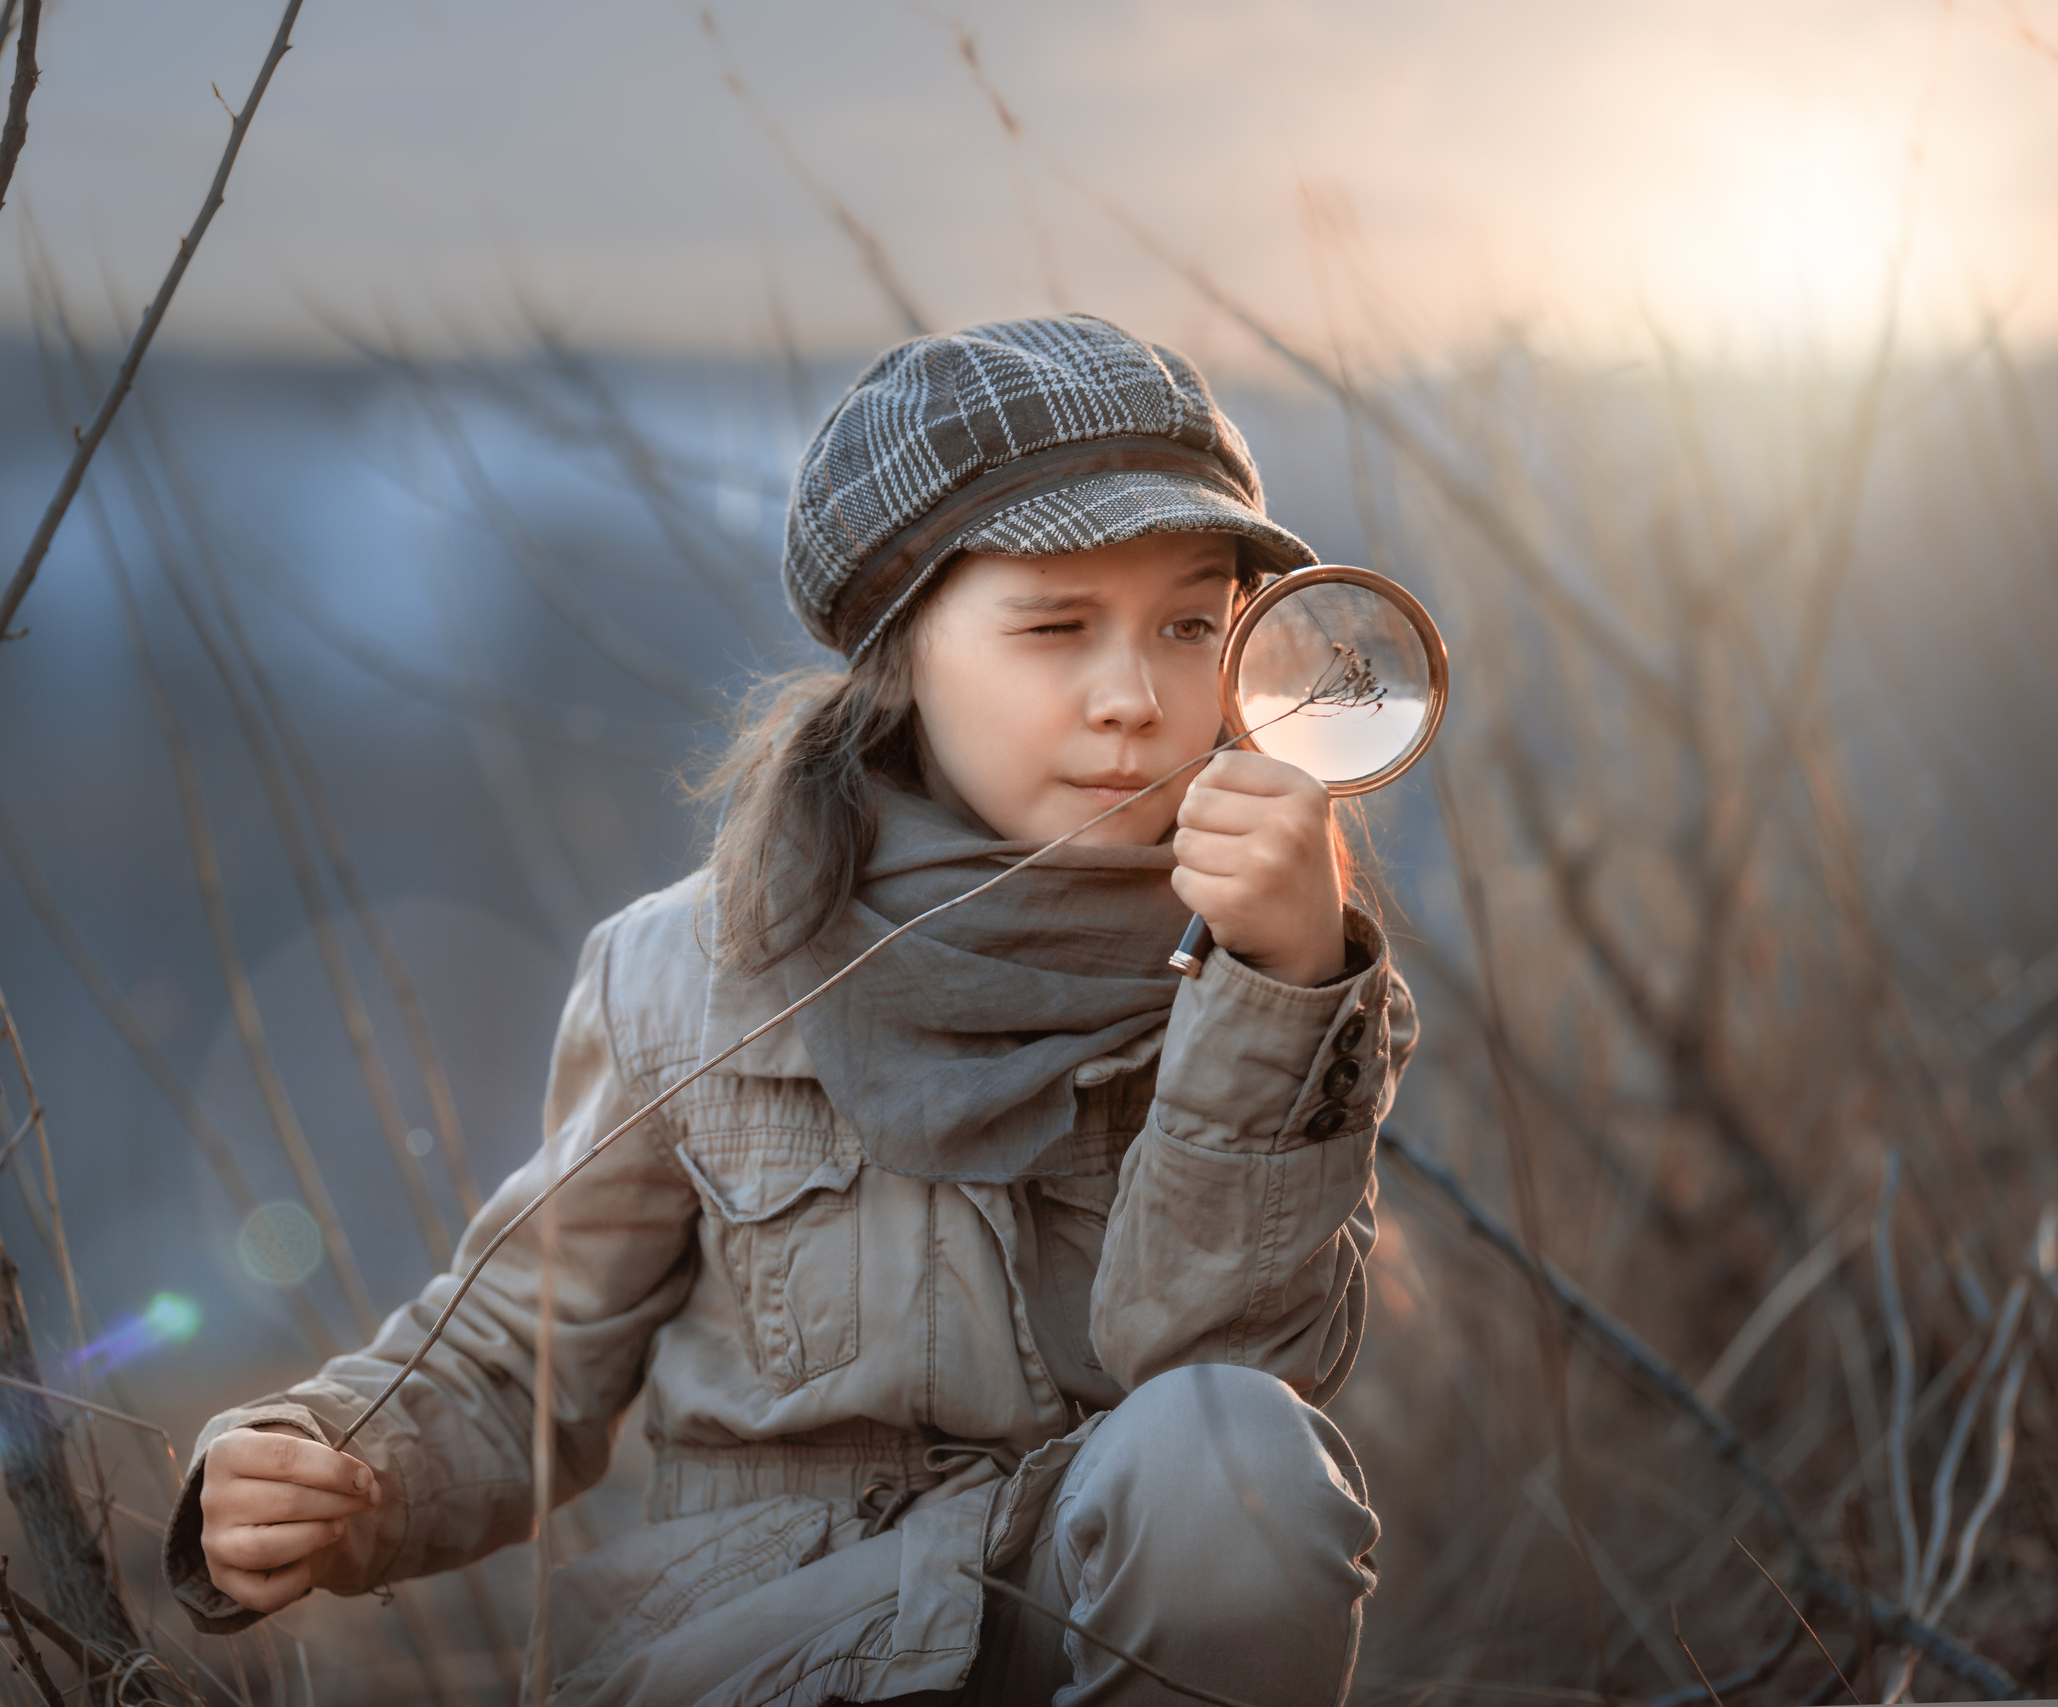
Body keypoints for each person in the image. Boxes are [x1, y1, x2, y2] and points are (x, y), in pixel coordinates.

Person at [163, 313, 1417, 1706]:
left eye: (1191, 624)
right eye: (1056, 626)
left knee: (1230, 1456)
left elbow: (1224, 1392)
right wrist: (323, 1461)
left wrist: (1278, 988)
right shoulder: (687, 974)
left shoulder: (1281, 971)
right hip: (768, 1656)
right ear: (903, 653)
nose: (1131, 697)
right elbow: (518, 1355)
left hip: (1083, 1626)